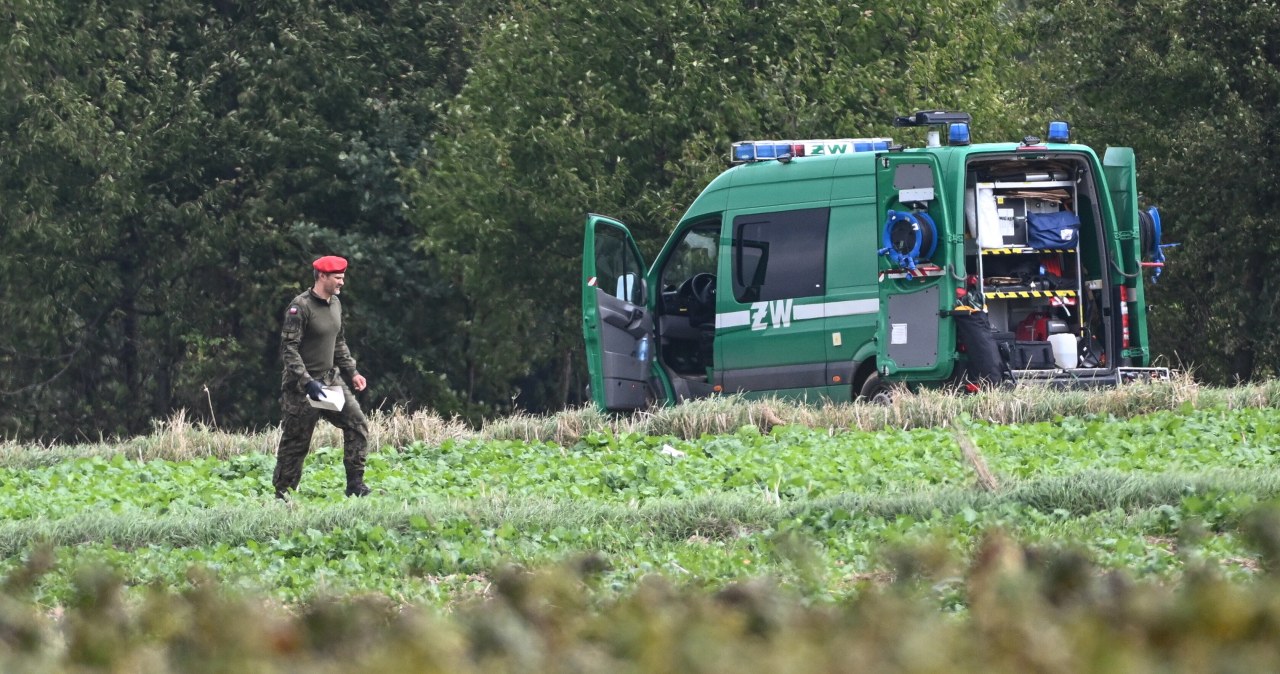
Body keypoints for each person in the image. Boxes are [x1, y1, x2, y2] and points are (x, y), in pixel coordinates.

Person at [272, 255, 372, 499]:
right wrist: (307, 382)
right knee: (296, 443)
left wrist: (353, 372)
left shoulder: (336, 303)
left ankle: (355, 485)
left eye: (342, 277)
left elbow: (339, 342)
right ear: (322, 276)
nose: (342, 283)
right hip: (302, 389)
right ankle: (284, 494)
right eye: (338, 278)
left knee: (357, 425)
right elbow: (289, 350)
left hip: (329, 382)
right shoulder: (300, 307)